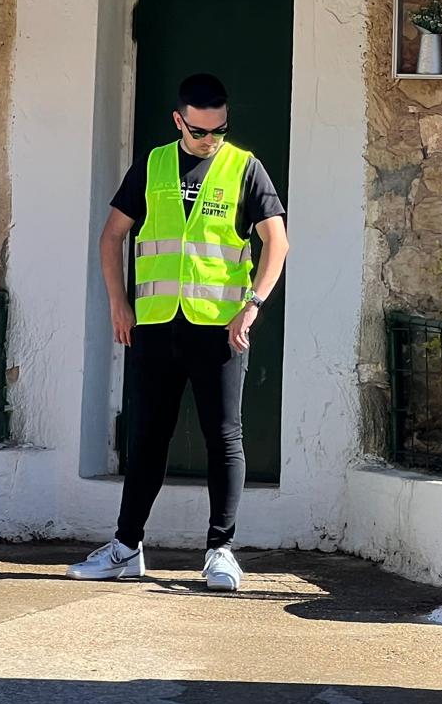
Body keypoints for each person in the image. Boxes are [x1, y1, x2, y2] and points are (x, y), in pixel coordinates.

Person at [68, 73, 289, 593]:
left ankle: (220, 551)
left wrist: (253, 304)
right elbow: (112, 236)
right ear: (179, 121)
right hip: (156, 325)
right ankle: (126, 547)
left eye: (218, 130)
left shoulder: (244, 167)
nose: (209, 140)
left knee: (224, 439)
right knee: (146, 438)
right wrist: (118, 302)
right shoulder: (152, 164)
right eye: (199, 131)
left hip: (220, 331)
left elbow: (276, 243)